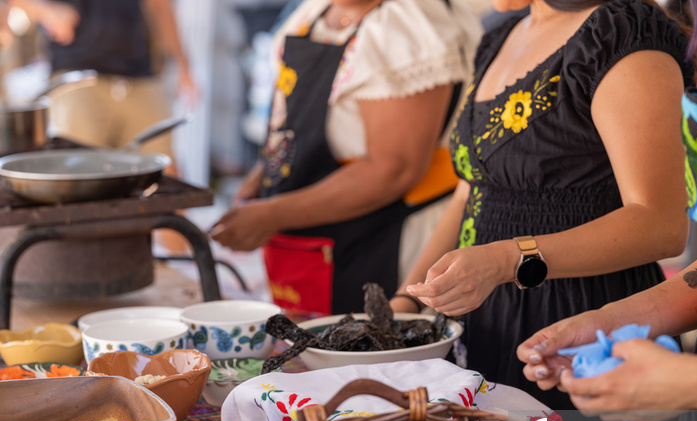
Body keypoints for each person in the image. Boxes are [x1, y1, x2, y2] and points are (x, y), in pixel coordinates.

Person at [392, 0, 694, 413]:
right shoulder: (501, 35)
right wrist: (407, 303)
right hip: (483, 320)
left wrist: (506, 260)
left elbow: (661, 224)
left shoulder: (622, 37)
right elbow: (470, 191)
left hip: (580, 321)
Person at [210, 0, 489, 316]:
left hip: (379, 239)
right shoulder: (315, 13)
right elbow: (296, 118)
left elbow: (393, 169)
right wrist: (266, 174)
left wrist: (274, 213)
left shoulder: (405, 27)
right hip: (313, 234)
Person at [7, 0, 197, 162]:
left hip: (139, 76)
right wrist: (47, 11)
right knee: (79, 169)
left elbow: (160, 5)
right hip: (77, 78)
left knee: (164, 169)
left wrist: (184, 67)